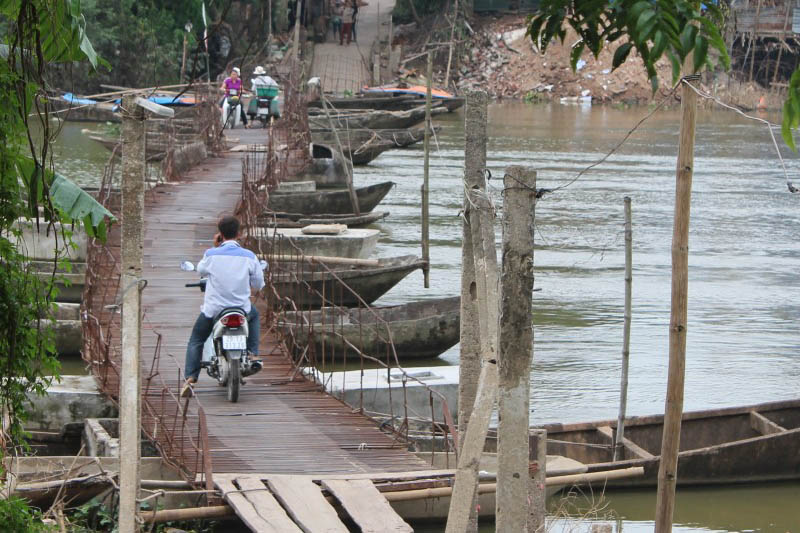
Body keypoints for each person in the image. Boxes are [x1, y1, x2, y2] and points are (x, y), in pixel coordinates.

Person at [181, 215, 265, 397]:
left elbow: (200, 270)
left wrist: (215, 246)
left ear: (220, 234)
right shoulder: (250, 257)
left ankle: (190, 378)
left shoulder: (211, 254)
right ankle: (252, 353)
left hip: (214, 310)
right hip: (242, 308)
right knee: (255, 315)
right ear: (239, 234)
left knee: (196, 340)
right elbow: (259, 284)